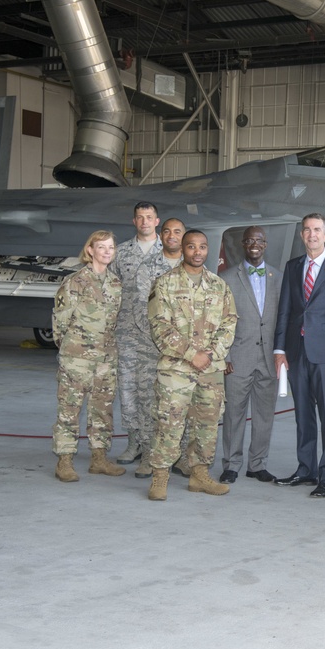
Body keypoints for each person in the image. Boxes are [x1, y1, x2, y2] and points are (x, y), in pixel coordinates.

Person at [145, 230, 238, 501]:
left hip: (210, 369)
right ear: (182, 250)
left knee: (207, 425)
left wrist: (211, 353)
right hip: (176, 369)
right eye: (191, 247)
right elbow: (159, 326)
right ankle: (160, 476)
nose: (197, 252)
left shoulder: (218, 285)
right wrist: (190, 354)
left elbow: (229, 322)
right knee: (169, 424)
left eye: (202, 247)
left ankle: (199, 475)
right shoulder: (164, 283)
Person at [273, 213, 325, 499]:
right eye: (307, 230)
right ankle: (306, 469)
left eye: (317, 230)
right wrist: (280, 349)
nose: (312, 234)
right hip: (297, 354)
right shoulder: (293, 266)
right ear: (302, 235)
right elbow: (285, 310)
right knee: (303, 415)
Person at [112, 203, 183, 479]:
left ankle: (154, 446)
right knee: (128, 390)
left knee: (153, 393)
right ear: (134, 221)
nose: (144, 221)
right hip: (128, 334)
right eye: (140, 217)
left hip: (158, 338)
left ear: (157, 221)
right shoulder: (121, 253)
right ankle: (135, 442)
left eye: (149, 217)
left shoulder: (167, 252)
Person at [51, 230, 126, 482]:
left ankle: (99, 458)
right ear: (90, 250)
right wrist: (70, 351)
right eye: (101, 247)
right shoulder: (75, 281)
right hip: (77, 357)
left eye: (110, 247)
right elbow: (60, 322)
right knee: (69, 410)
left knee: (102, 409)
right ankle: (64, 460)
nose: (107, 251)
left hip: (106, 358)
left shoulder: (115, 284)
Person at [218, 226, 282, 484]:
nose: (254, 244)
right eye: (249, 241)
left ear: (265, 244)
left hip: (268, 359)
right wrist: (224, 355)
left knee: (265, 415)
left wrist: (282, 354)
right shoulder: (226, 277)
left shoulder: (278, 277)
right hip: (237, 358)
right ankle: (232, 464)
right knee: (233, 414)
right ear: (243, 244)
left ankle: (257, 464)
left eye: (259, 240)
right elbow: (219, 320)